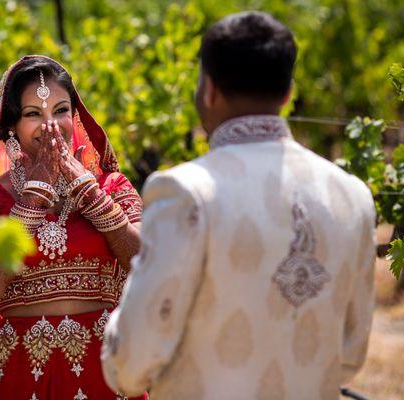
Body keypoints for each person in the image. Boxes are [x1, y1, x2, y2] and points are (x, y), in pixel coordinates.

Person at [101, 11, 376, 399]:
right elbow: (349, 355)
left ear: (208, 90)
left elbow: (130, 364)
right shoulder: (352, 196)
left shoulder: (186, 192)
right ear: (286, 93)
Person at [0, 55, 146, 400]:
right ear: (11, 127)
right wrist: (33, 196)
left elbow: (144, 261)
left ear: (74, 117)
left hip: (104, 372)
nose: (51, 125)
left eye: (60, 110)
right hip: (21, 371)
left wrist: (90, 194)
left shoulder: (112, 185)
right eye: (33, 114)